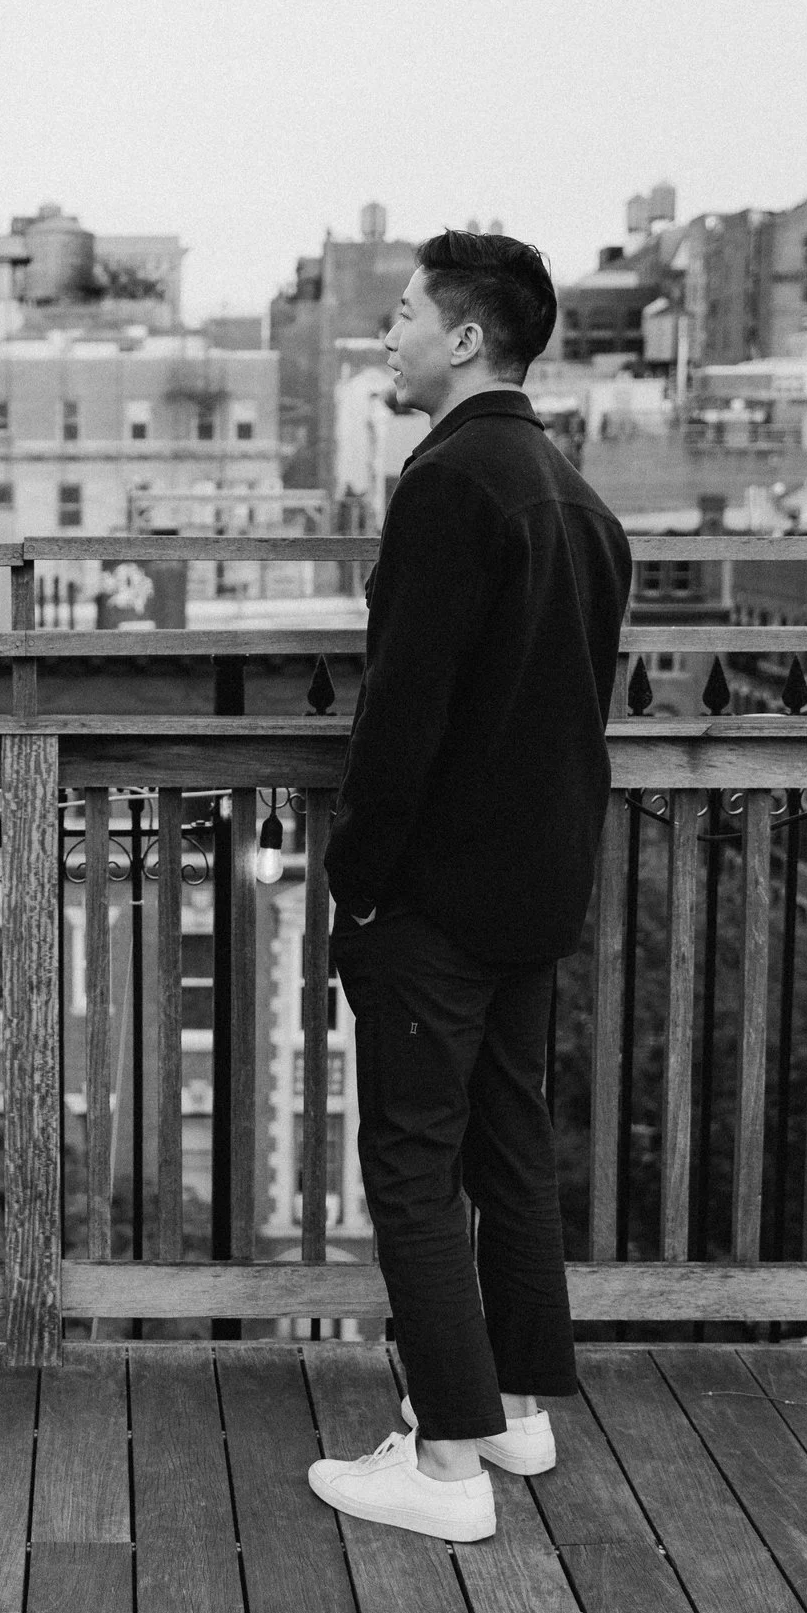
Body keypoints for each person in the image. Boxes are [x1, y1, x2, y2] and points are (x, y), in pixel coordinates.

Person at [305, 231, 631, 1542]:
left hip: (440, 893)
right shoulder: (569, 489)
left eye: (402, 315)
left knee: (413, 1170)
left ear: (466, 338)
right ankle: (514, 1412)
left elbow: (406, 715)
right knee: (510, 1154)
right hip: (539, 886)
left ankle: (445, 1465)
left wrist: (361, 882)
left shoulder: (450, 482)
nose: (384, 335)